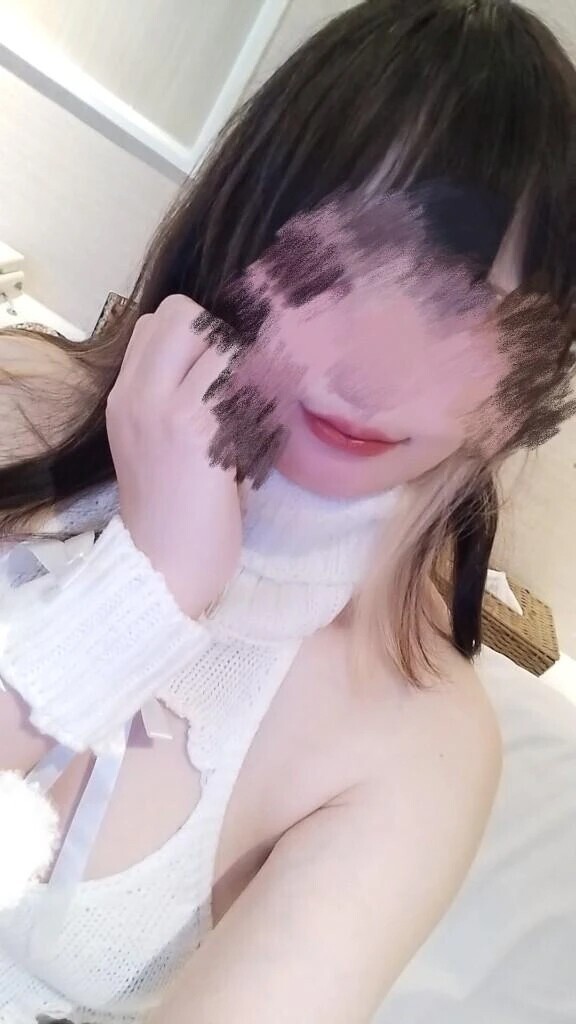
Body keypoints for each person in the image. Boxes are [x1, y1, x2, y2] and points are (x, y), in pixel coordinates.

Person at [0, 0, 574, 1021]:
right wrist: (148, 583)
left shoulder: (422, 745)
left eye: (464, 309)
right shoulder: (16, 406)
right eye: (329, 265)